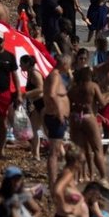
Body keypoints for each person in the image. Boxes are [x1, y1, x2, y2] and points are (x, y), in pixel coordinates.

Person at [68, 66, 108, 183]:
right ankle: (103, 177)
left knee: (77, 150)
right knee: (97, 149)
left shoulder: (73, 88)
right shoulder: (93, 86)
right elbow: (102, 103)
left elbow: (68, 104)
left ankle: (75, 178)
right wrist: (107, 97)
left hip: (75, 118)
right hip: (89, 117)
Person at [43, 53, 70, 189]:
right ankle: (53, 183)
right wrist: (60, 112)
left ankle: (55, 180)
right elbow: (52, 94)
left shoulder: (58, 75)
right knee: (53, 152)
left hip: (56, 117)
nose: (70, 66)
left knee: (56, 151)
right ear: (64, 64)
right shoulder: (54, 75)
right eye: (69, 63)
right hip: (55, 117)